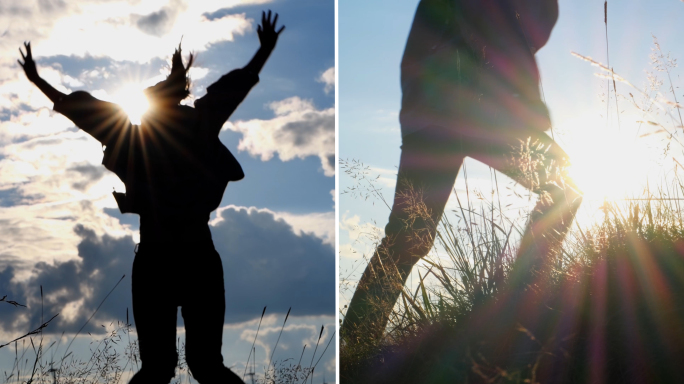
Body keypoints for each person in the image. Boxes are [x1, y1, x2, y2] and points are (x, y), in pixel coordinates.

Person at [18, 10, 284, 384]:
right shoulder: (197, 127)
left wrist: (38, 81)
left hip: (160, 260)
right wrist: (263, 51)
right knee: (204, 364)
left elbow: (82, 113)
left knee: (160, 367)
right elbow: (232, 91)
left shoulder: (134, 139)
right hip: (193, 259)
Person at [341, 0, 582, 344]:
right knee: (563, 185)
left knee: (408, 236)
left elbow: (519, 35)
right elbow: (493, 31)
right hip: (452, 108)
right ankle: (519, 305)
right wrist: (526, 101)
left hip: (440, 111)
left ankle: (355, 342)